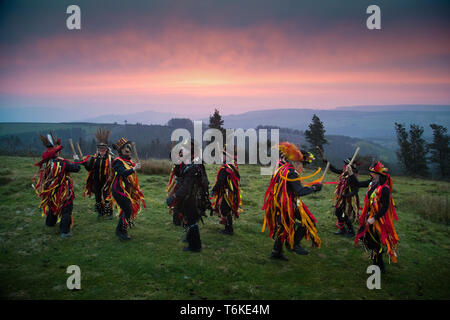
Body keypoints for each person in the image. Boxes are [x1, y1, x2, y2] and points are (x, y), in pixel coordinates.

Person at [262, 142, 323, 261]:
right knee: (308, 221)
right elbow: (299, 191)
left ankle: (276, 252)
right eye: (302, 164)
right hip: (286, 203)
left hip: (279, 202)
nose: (303, 168)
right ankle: (293, 244)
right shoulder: (291, 172)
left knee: (284, 227)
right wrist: (314, 188)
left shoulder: (282, 168)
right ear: (296, 163)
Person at [33, 132, 81, 238]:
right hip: (63, 191)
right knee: (66, 209)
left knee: (53, 206)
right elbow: (76, 168)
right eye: (58, 150)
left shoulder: (45, 163)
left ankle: (49, 223)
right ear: (56, 152)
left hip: (50, 191)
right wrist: (76, 159)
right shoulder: (62, 163)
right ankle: (65, 231)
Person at [354, 161, 399, 273]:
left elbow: (385, 207)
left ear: (379, 175)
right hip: (369, 217)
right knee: (368, 240)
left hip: (378, 221)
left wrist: (374, 218)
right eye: (371, 174)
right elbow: (357, 184)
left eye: (373, 174)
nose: (371, 176)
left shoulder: (384, 189)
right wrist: (350, 173)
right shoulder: (372, 184)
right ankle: (377, 262)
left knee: (375, 241)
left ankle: (379, 265)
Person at [166, 139, 209, 252]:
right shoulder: (189, 164)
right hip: (190, 197)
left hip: (191, 198)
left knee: (192, 221)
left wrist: (173, 197)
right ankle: (191, 242)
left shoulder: (193, 167)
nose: (181, 151)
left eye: (184, 149)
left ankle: (195, 246)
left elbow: (186, 187)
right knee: (190, 220)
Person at [324, 157, 371, 237]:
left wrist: (347, 196)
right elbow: (334, 170)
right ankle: (342, 229)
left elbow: (356, 189)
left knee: (345, 214)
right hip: (342, 197)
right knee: (338, 212)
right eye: (345, 165)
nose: (344, 166)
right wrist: (326, 162)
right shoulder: (344, 173)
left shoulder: (353, 176)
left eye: (346, 165)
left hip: (350, 198)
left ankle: (351, 231)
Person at [110, 137, 145, 240]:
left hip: (127, 189)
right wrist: (134, 168)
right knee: (128, 209)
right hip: (118, 189)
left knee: (127, 209)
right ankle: (122, 231)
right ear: (121, 150)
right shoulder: (117, 161)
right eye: (125, 147)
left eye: (128, 147)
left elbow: (131, 177)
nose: (128, 149)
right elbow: (122, 173)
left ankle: (119, 230)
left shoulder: (129, 162)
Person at [82, 128, 115, 219]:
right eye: (100, 149)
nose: (101, 150)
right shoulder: (94, 158)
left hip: (106, 181)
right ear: (98, 149)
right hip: (96, 181)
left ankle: (110, 213)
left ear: (106, 149)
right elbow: (89, 168)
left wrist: (111, 178)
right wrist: (84, 163)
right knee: (97, 197)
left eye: (103, 149)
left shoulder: (110, 159)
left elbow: (113, 170)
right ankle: (100, 212)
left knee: (106, 197)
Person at [211, 146, 242, 235]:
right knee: (227, 209)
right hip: (231, 192)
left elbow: (220, 181)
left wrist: (214, 190)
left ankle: (229, 229)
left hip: (227, 193)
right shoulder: (232, 166)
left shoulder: (225, 168)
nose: (221, 157)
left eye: (223, 155)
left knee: (225, 209)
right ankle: (228, 228)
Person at [167, 148, 185, 226]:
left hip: (184, 184)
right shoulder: (178, 161)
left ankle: (182, 220)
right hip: (178, 184)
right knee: (176, 203)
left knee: (182, 202)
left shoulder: (187, 162)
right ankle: (177, 221)